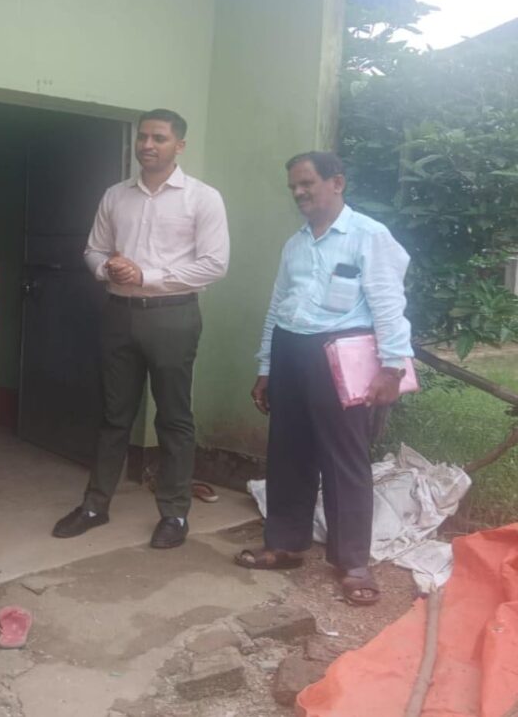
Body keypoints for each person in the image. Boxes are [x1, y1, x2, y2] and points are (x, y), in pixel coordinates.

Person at [236, 151, 413, 607]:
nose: (298, 193)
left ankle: (353, 562)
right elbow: (277, 307)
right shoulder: (295, 244)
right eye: (293, 187)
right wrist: (266, 367)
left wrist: (391, 367)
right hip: (291, 351)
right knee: (288, 452)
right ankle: (285, 544)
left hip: (341, 355)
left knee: (344, 458)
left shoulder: (368, 236)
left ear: (337, 182)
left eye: (307, 184)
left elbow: (389, 305)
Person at [52, 109, 230, 549]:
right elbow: (93, 249)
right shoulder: (116, 195)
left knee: (173, 416)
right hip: (119, 313)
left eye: (159, 138)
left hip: (173, 316)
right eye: (143, 137)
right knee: (114, 415)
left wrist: (145, 275)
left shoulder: (202, 198)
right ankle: (95, 505)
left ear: (179, 145)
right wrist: (106, 269)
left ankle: (174, 513)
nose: (147, 145)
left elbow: (214, 265)